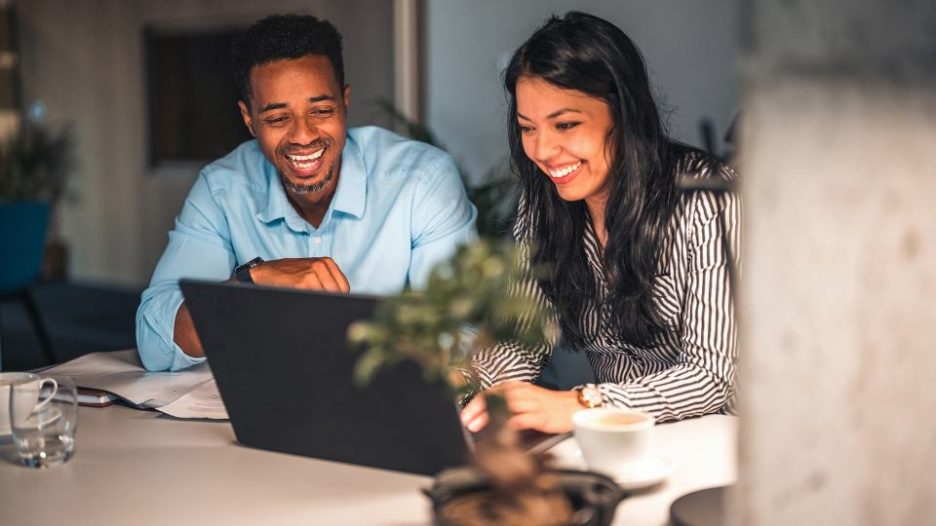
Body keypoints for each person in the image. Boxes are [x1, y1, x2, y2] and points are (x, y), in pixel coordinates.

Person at [136, 14, 476, 372]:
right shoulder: (221, 189)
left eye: (321, 110)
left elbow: (461, 339)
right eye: (278, 118)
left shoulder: (422, 179)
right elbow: (154, 344)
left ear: (345, 102)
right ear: (249, 120)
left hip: (386, 408)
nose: (303, 135)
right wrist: (254, 279)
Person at [460, 11, 739, 434]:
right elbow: (520, 343)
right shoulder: (542, 208)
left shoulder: (707, 199)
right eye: (527, 128)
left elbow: (712, 377)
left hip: (718, 443)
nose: (543, 150)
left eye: (566, 124)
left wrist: (582, 403)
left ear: (623, 113)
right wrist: (461, 383)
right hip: (615, 441)